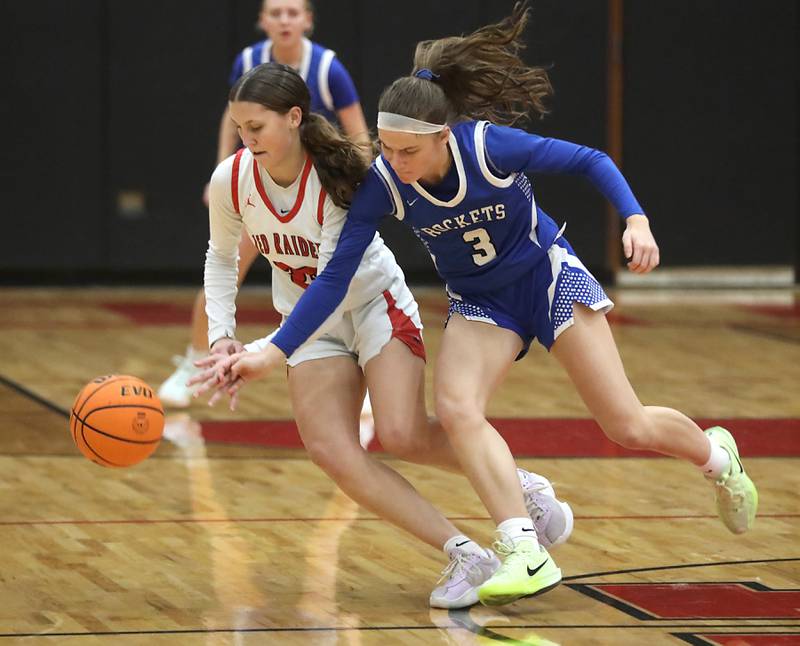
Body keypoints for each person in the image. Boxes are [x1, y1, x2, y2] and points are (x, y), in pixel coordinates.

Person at [202, 2, 759, 608]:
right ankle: (523, 550)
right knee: (457, 407)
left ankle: (715, 455)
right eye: (386, 149)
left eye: (407, 151)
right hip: (481, 302)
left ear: (443, 137)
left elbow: (591, 160)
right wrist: (271, 348)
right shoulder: (384, 182)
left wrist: (636, 219)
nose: (395, 164)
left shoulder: (490, 148)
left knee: (626, 424)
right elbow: (332, 280)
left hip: (547, 278)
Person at [189, 61, 574, 609]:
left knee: (402, 433)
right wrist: (222, 337)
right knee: (332, 451)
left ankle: (519, 487)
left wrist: (265, 351)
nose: (246, 139)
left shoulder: (338, 180)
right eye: (240, 127)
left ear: (294, 118)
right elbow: (222, 258)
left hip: (371, 306)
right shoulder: (232, 179)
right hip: (307, 325)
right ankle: (464, 552)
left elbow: (332, 284)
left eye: (257, 128)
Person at [158, 0, 370, 408]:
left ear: (308, 20)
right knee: (223, 268)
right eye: (276, 12)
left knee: (341, 280)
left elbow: (358, 132)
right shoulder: (249, 61)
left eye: (293, 12)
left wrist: (359, 188)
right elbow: (231, 116)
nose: (285, 20)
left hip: (313, 191)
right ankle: (198, 358)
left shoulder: (328, 68)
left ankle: (365, 368)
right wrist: (221, 170)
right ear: (263, 21)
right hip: (260, 188)